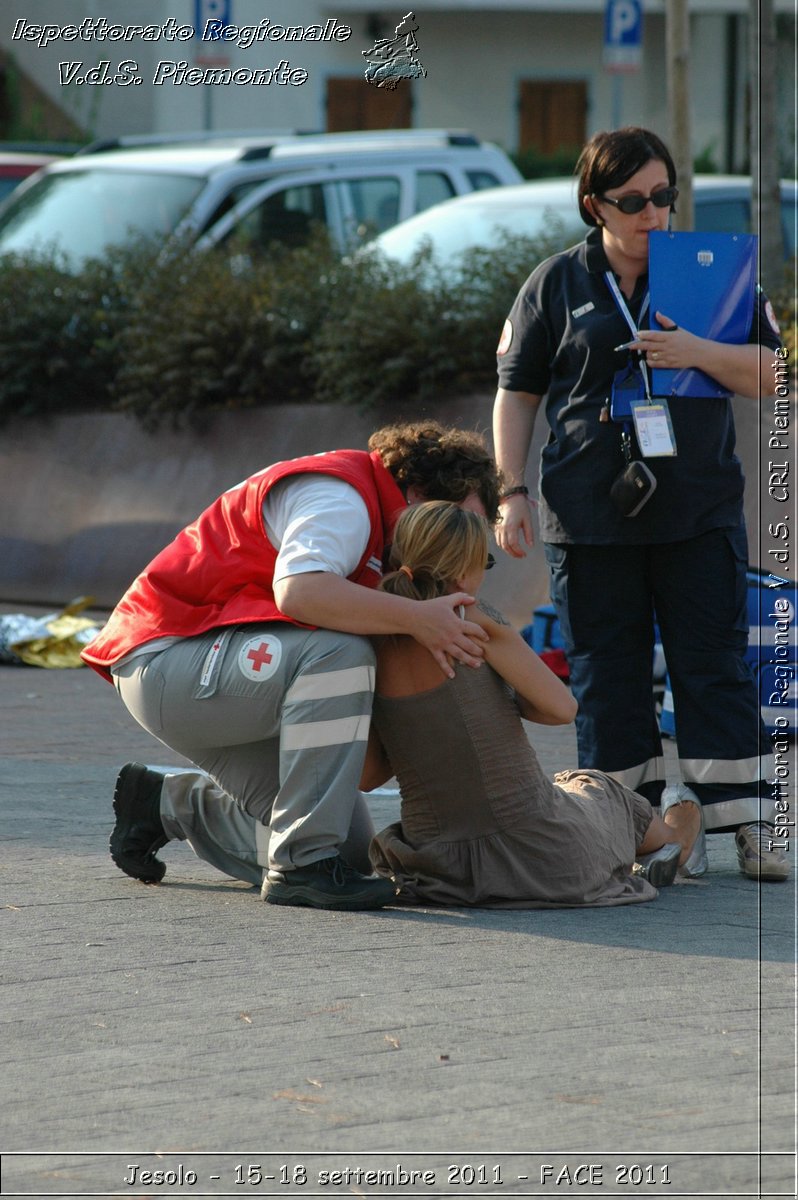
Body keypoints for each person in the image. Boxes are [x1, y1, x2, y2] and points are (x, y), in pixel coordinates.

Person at [492, 126, 787, 882]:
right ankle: (627, 828)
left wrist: (697, 354)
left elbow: (771, 374)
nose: (652, 214)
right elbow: (517, 393)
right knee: (604, 673)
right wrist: (511, 492)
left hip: (696, 510)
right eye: (633, 201)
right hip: (589, 514)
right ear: (595, 204)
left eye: (663, 197)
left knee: (712, 666)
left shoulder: (709, 272)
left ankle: (749, 825)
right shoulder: (555, 282)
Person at [80, 420, 502, 911]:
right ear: (414, 493)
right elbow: (300, 592)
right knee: (339, 651)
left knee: (348, 852)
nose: (457, 555)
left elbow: (360, 773)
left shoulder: (377, 531)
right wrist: (417, 619)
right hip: (166, 658)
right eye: (455, 525)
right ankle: (300, 867)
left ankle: (164, 806)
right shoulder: (342, 498)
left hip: (212, 671)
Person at [362, 501, 701, 907]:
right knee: (599, 789)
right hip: (543, 856)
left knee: (568, 794)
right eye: (484, 563)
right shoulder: (470, 614)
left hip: (435, 863)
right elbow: (561, 709)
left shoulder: (372, 637)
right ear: (463, 568)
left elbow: (368, 775)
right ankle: (673, 841)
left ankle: (641, 848)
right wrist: (506, 692)